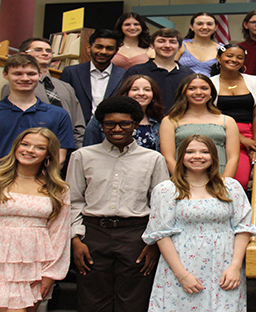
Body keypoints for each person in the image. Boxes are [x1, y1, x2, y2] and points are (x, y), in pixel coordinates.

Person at [67, 96, 170, 312]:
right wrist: (75, 239)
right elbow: (73, 201)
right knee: (92, 301)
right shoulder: (82, 156)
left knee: (133, 301)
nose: (117, 129)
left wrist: (153, 243)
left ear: (134, 124)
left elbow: (162, 205)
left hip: (136, 235)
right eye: (109, 124)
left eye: (124, 123)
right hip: (94, 234)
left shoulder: (153, 159)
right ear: (101, 125)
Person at [0, 127, 71, 311]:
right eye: (24, 144)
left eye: (39, 147)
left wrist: (51, 273)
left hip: (35, 264)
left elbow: (59, 233)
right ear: (15, 147)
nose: (29, 150)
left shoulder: (59, 189)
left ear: (48, 155)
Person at [143, 134, 256, 311]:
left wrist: (235, 266)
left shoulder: (230, 187)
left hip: (224, 265)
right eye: (190, 152)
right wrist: (182, 275)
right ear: (181, 156)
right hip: (180, 265)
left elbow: (242, 228)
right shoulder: (166, 190)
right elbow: (161, 234)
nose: (197, 156)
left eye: (204, 152)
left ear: (213, 156)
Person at [0, 54, 75, 177]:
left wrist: (32, 186)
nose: (25, 78)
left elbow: (59, 159)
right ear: (5, 75)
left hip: (38, 188)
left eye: (31, 74)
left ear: (40, 75)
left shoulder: (59, 115)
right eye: (17, 74)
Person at [2, 37, 86, 148]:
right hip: (32, 148)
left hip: (66, 146)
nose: (45, 53)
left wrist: (78, 148)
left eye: (48, 51)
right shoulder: (16, 85)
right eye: (38, 50)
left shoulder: (66, 87)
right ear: (23, 54)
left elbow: (78, 122)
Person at [209, 44, 256, 189]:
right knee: (214, 181)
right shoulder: (209, 83)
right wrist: (242, 139)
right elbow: (208, 116)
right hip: (217, 133)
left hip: (247, 135)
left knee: (239, 182)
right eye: (229, 56)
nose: (234, 60)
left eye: (239, 57)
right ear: (218, 58)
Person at [159, 73, 241, 178]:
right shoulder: (170, 121)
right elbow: (168, 158)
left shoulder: (227, 121)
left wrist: (224, 183)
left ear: (211, 92)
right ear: (184, 92)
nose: (198, 92)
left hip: (219, 178)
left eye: (204, 88)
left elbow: (233, 158)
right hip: (183, 180)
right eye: (192, 88)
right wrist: (183, 182)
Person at [60, 29, 127, 123]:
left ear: (116, 51)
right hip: (77, 129)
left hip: (111, 130)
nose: (103, 52)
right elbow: (63, 103)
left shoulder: (125, 75)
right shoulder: (71, 73)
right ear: (88, 48)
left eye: (109, 48)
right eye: (99, 47)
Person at [83, 74, 165, 151]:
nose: (141, 93)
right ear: (126, 93)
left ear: (153, 95)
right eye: (135, 89)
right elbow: (89, 148)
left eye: (147, 90)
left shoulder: (159, 121)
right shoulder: (103, 117)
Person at [125, 28, 195, 114]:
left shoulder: (189, 74)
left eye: (172, 42)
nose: (167, 45)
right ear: (152, 45)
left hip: (179, 121)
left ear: (180, 47)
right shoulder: (136, 71)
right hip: (146, 122)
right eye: (161, 41)